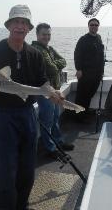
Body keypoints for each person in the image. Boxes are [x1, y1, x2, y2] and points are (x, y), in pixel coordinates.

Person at [0, 5, 63, 210]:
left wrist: (53, 93)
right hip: (1, 117)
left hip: (27, 115)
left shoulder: (35, 55)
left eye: (24, 23)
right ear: (9, 26)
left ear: (28, 28)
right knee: (4, 172)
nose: (20, 26)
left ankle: (22, 205)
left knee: (27, 170)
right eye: (16, 22)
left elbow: (43, 82)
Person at [31, 23, 74, 159]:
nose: (47, 37)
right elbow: (52, 69)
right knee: (47, 120)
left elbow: (63, 61)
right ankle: (50, 148)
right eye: (44, 34)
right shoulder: (36, 49)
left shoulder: (49, 48)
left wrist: (55, 63)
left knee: (55, 117)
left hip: (55, 90)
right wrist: (56, 64)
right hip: (45, 91)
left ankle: (58, 141)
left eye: (49, 34)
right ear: (37, 35)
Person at [74, 18, 104, 120]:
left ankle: (85, 111)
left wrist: (102, 72)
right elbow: (77, 55)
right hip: (85, 72)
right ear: (88, 26)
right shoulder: (83, 39)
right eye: (92, 25)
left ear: (98, 27)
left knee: (90, 93)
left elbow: (101, 57)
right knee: (82, 95)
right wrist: (78, 69)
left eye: (96, 25)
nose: (94, 27)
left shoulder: (99, 38)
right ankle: (79, 116)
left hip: (97, 73)